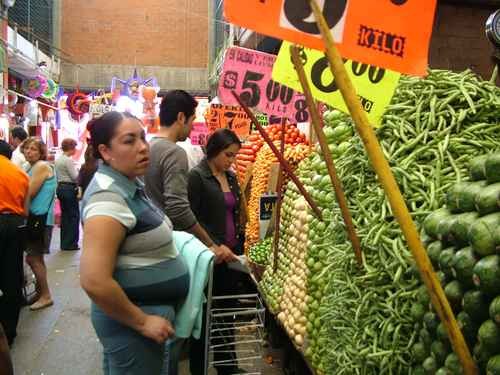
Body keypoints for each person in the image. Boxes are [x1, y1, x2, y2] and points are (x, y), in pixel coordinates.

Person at [80, 111, 189, 375]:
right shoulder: (109, 197)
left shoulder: (129, 185)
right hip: (132, 325)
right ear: (105, 152)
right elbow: (94, 280)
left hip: (141, 320)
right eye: (129, 141)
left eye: (142, 137)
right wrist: (141, 322)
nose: (143, 147)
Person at [144, 90, 235, 264]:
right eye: (192, 120)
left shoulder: (148, 147)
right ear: (180, 117)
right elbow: (178, 208)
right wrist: (210, 244)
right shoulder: (174, 152)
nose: (192, 127)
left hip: (149, 239)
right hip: (168, 243)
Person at [187, 129, 248, 375]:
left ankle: (227, 366)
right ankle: (198, 368)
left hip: (230, 256)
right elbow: (190, 218)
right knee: (203, 317)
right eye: (228, 155)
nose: (231, 160)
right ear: (213, 150)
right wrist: (211, 244)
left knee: (227, 312)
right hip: (208, 256)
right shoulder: (197, 177)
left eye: (234, 156)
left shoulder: (230, 177)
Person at [0, 140, 30, 346]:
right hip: (16, 224)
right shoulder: (21, 174)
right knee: (12, 276)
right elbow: (26, 210)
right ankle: (9, 331)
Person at [24, 137, 56, 311]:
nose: (29, 152)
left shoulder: (41, 166)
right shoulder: (31, 167)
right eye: (27, 148)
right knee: (36, 258)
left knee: (33, 258)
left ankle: (45, 295)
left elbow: (29, 192)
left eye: (34, 149)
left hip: (39, 219)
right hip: (37, 218)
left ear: (41, 152)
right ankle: (41, 292)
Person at [55, 138, 80, 251]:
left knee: (65, 216)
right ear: (71, 148)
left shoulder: (59, 159)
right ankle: (71, 243)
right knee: (73, 216)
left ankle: (64, 242)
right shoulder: (68, 160)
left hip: (60, 188)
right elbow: (75, 177)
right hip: (69, 189)